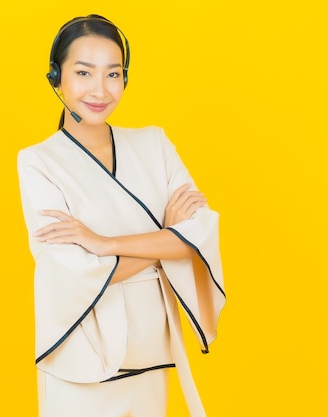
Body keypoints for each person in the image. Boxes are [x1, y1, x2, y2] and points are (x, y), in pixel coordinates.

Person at [17, 14, 226, 417]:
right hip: (80, 359)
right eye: (83, 72)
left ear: (125, 78)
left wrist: (106, 244)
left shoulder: (154, 143)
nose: (100, 89)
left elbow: (201, 230)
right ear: (56, 77)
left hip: (151, 351)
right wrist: (168, 239)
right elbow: (73, 270)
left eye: (113, 74)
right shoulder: (38, 162)